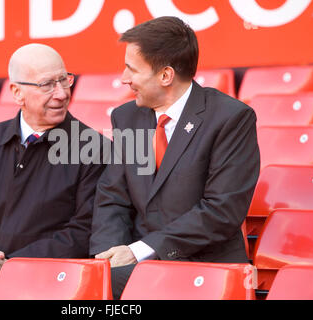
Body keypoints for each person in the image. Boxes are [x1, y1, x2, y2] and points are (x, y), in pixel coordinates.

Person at [89, 16, 260, 299]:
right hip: (138, 270)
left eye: (132, 69)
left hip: (205, 270)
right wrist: (108, 255)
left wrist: (138, 251)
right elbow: (112, 197)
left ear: (165, 76)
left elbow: (221, 211)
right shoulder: (126, 117)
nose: (123, 78)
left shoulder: (231, 118)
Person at [0, 43, 107, 293]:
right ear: (17, 93)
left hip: (52, 288)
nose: (61, 93)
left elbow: (85, 231)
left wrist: (11, 267)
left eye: (64, 80)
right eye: (47, 84)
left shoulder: (95, 148)